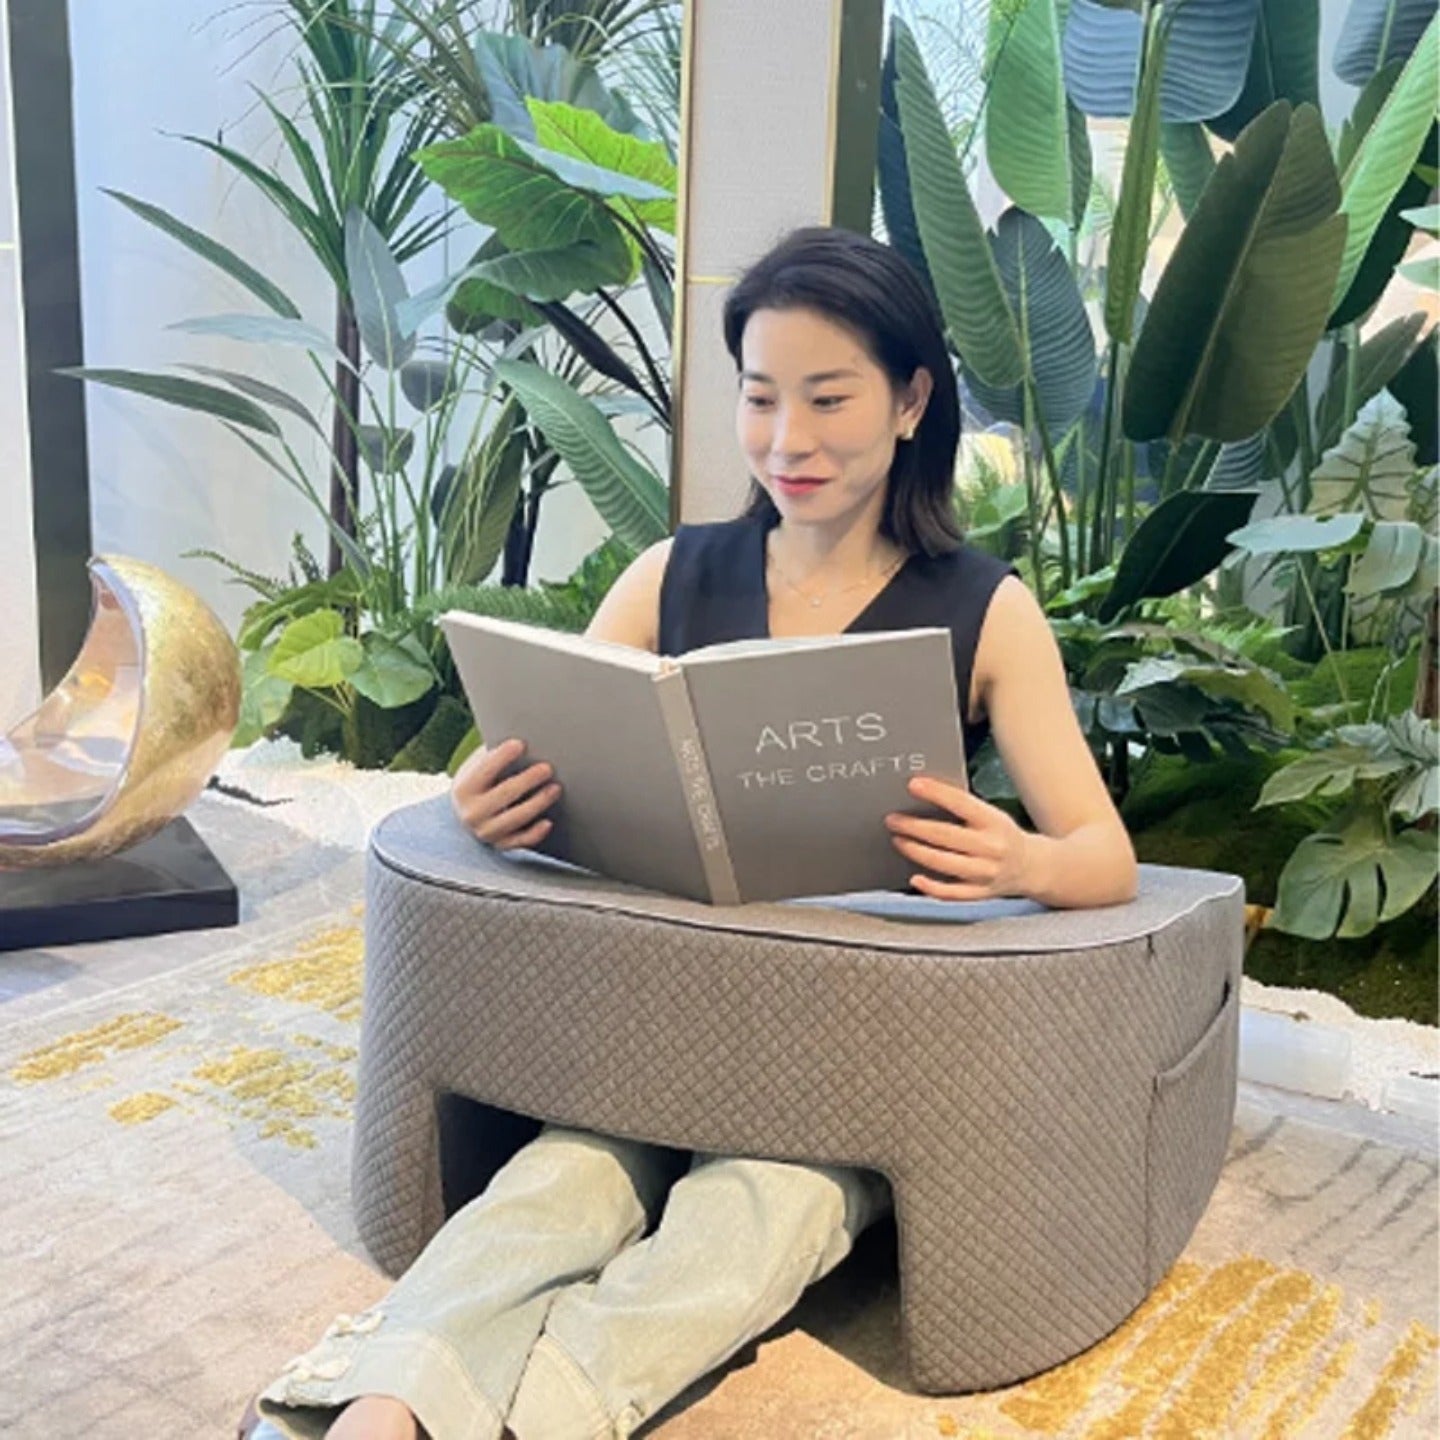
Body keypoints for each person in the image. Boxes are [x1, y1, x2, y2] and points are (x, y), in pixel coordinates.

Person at [243, 225, 1137, 1440]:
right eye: (760, 399)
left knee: (757, 1219)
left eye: (830, 399)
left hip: (852, 1058)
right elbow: (514, 749)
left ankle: (537, 1422)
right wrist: (480, 801)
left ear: (914, 398)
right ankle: (378, 1407)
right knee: (560, 1185)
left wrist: (1022, 859)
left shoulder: (989, 611)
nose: (789, 441)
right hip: (662, 1023)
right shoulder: (673, 573)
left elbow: (1105, 856)